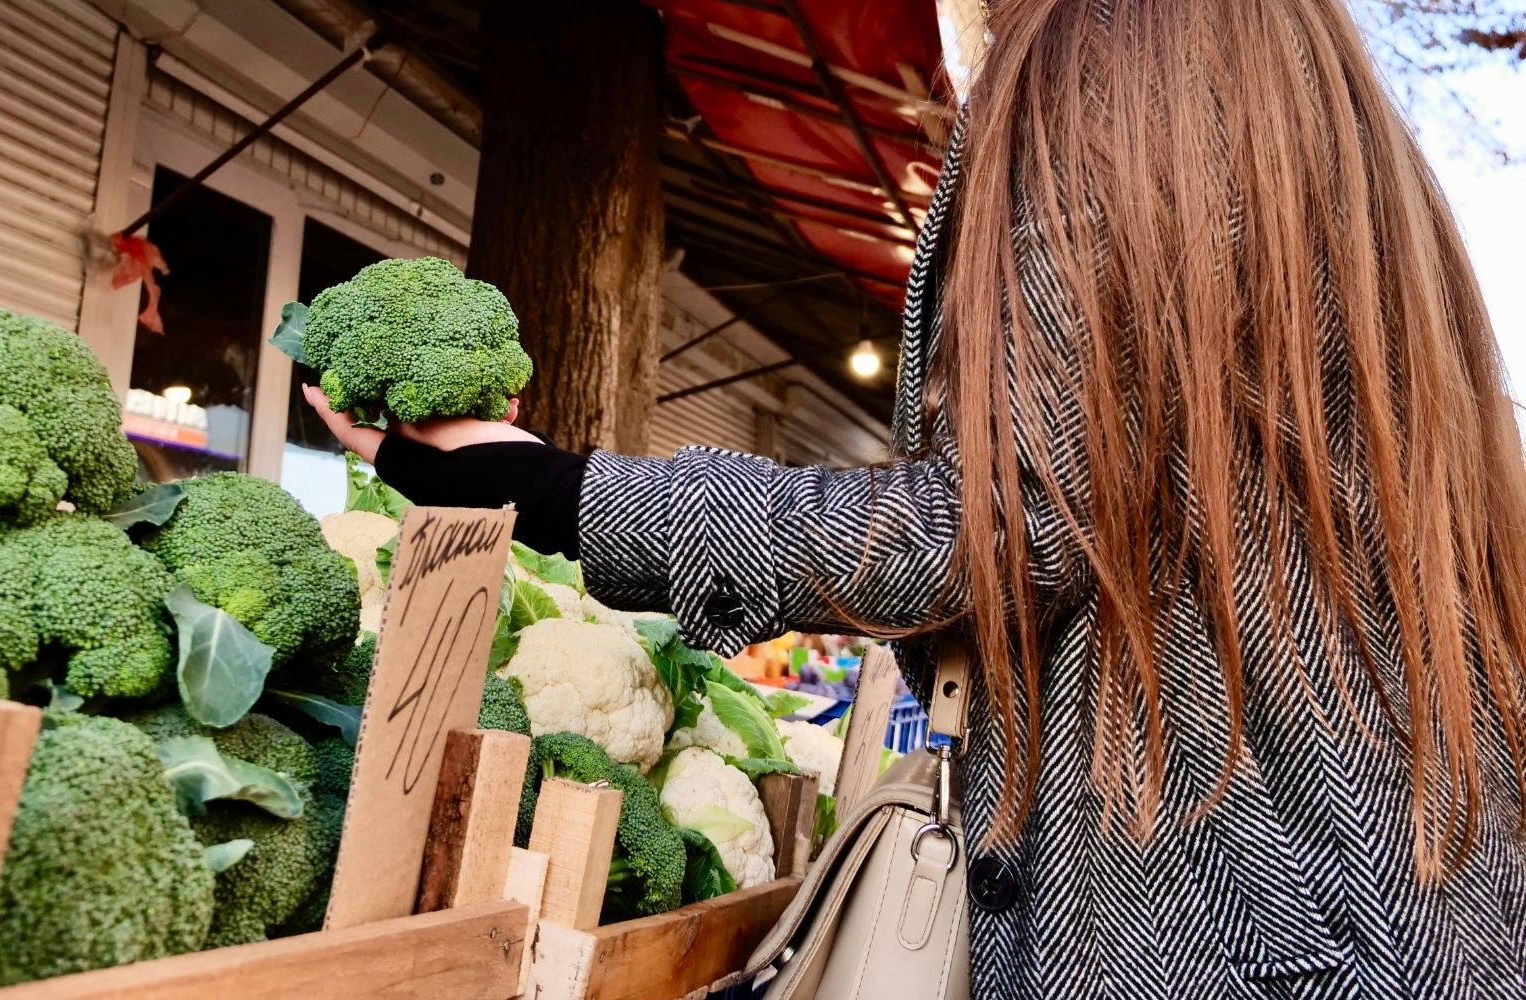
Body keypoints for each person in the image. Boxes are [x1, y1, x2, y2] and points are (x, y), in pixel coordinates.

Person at [308, 1, 1526, 996]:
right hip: (1397, 898)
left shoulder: (1106, 53)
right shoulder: (1294, 72)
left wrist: (544, 488)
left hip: (1219, 924)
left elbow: (997, 523)